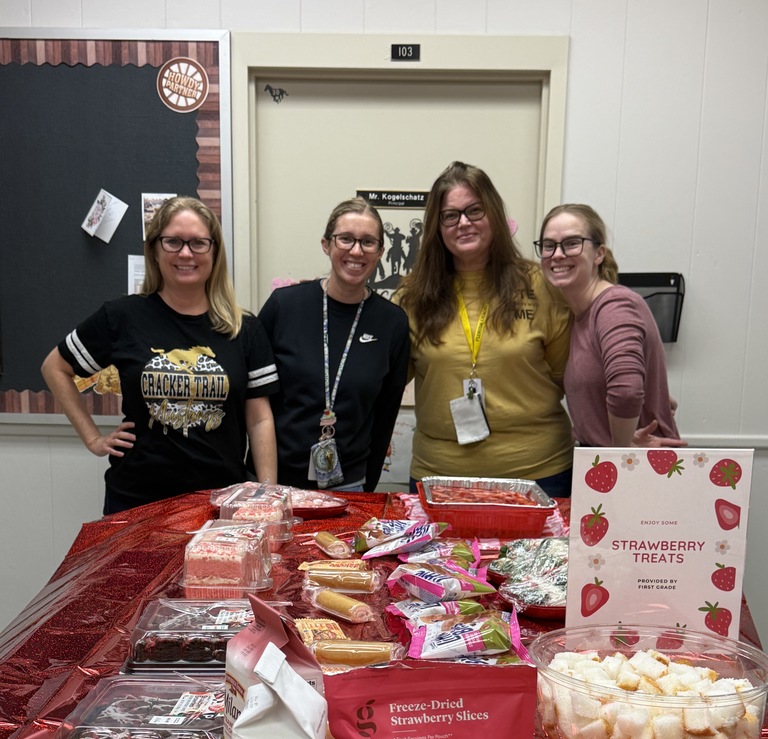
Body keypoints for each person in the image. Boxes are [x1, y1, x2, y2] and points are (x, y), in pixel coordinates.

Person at [41, 196, 279, 514]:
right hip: (136, 501)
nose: (185, 253)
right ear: (155, 249)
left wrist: (268, 495)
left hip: (220, 505)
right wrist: (93, 439)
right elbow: (54, 367)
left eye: (198, 243)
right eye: (173, 242)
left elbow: (260, 418)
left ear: (215, 251)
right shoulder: (122, 316)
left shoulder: (243, 328)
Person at [396, 161, 573, 497]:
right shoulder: (412, 296)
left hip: (539, 474)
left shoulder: (542, 286)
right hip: (438, 478)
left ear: (493, 213)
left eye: (475, 210)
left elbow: (575, 380)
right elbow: (383, 382)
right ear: (437, 225)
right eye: (450, 215)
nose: (464, 223)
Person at [258, 197, 410, 491]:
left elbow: (385, 414)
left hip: (349, 485)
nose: (356, 250)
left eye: (368, 242)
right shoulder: (284, 307)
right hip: (274, 481)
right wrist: (263, 483)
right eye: (346, 239)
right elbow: (252, 400)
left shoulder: (392, 323)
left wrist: (369, 487)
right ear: (326, 244)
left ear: (380, 252)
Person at [536, 203, 684, 447]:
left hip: (632, 469)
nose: (558, 254)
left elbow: (626, 391)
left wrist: (623, 450)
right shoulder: (577, 313)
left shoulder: (614, 305)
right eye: (549, 245)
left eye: (572, 243)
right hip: (606, 462)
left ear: (599, 254)